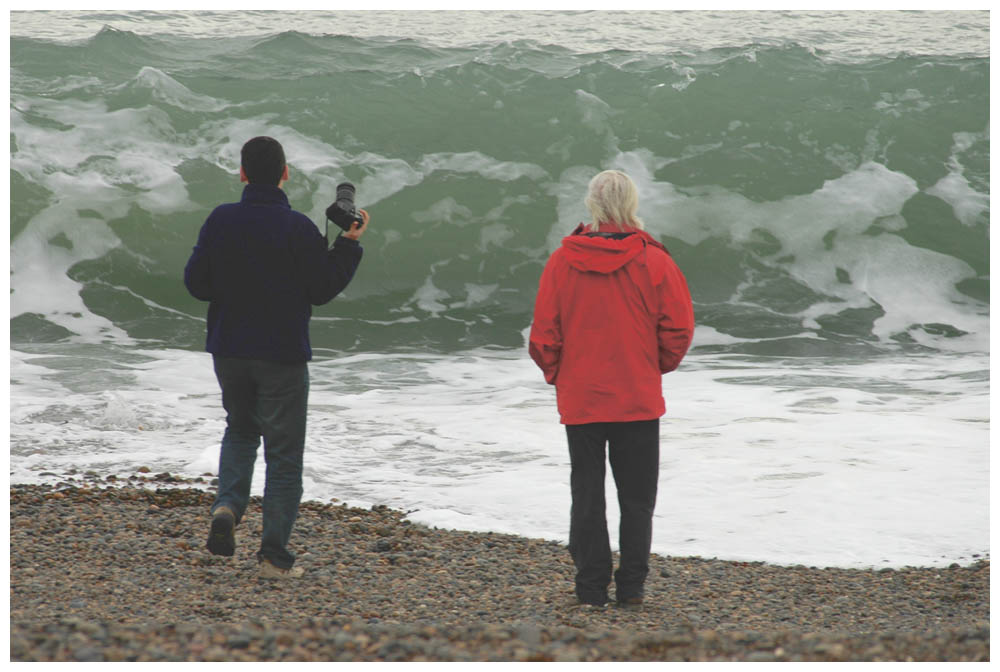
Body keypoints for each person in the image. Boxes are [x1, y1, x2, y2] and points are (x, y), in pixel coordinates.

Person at [184, 136, 368, 579]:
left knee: (241, 431)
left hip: (229, 349)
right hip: (282, 354)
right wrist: (348, 243)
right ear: (285, 173)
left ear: (242, 173)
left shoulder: (220, 220)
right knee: (283, 456)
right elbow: (322, 290)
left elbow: (196, 283)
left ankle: (227, 505)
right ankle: (273, 558)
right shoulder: (299, 228)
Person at [528, 170, 694, 608]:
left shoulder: (563, 260)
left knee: (587, 493)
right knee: (637, 498)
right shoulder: (655, 260)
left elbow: (543, 336)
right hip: (637, 396)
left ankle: (590, 588)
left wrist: (561, 375)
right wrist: (652, 367)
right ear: (631, 203)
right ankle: (632, 589)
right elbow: (678, 329)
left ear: (592, 205)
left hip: (582, 396)